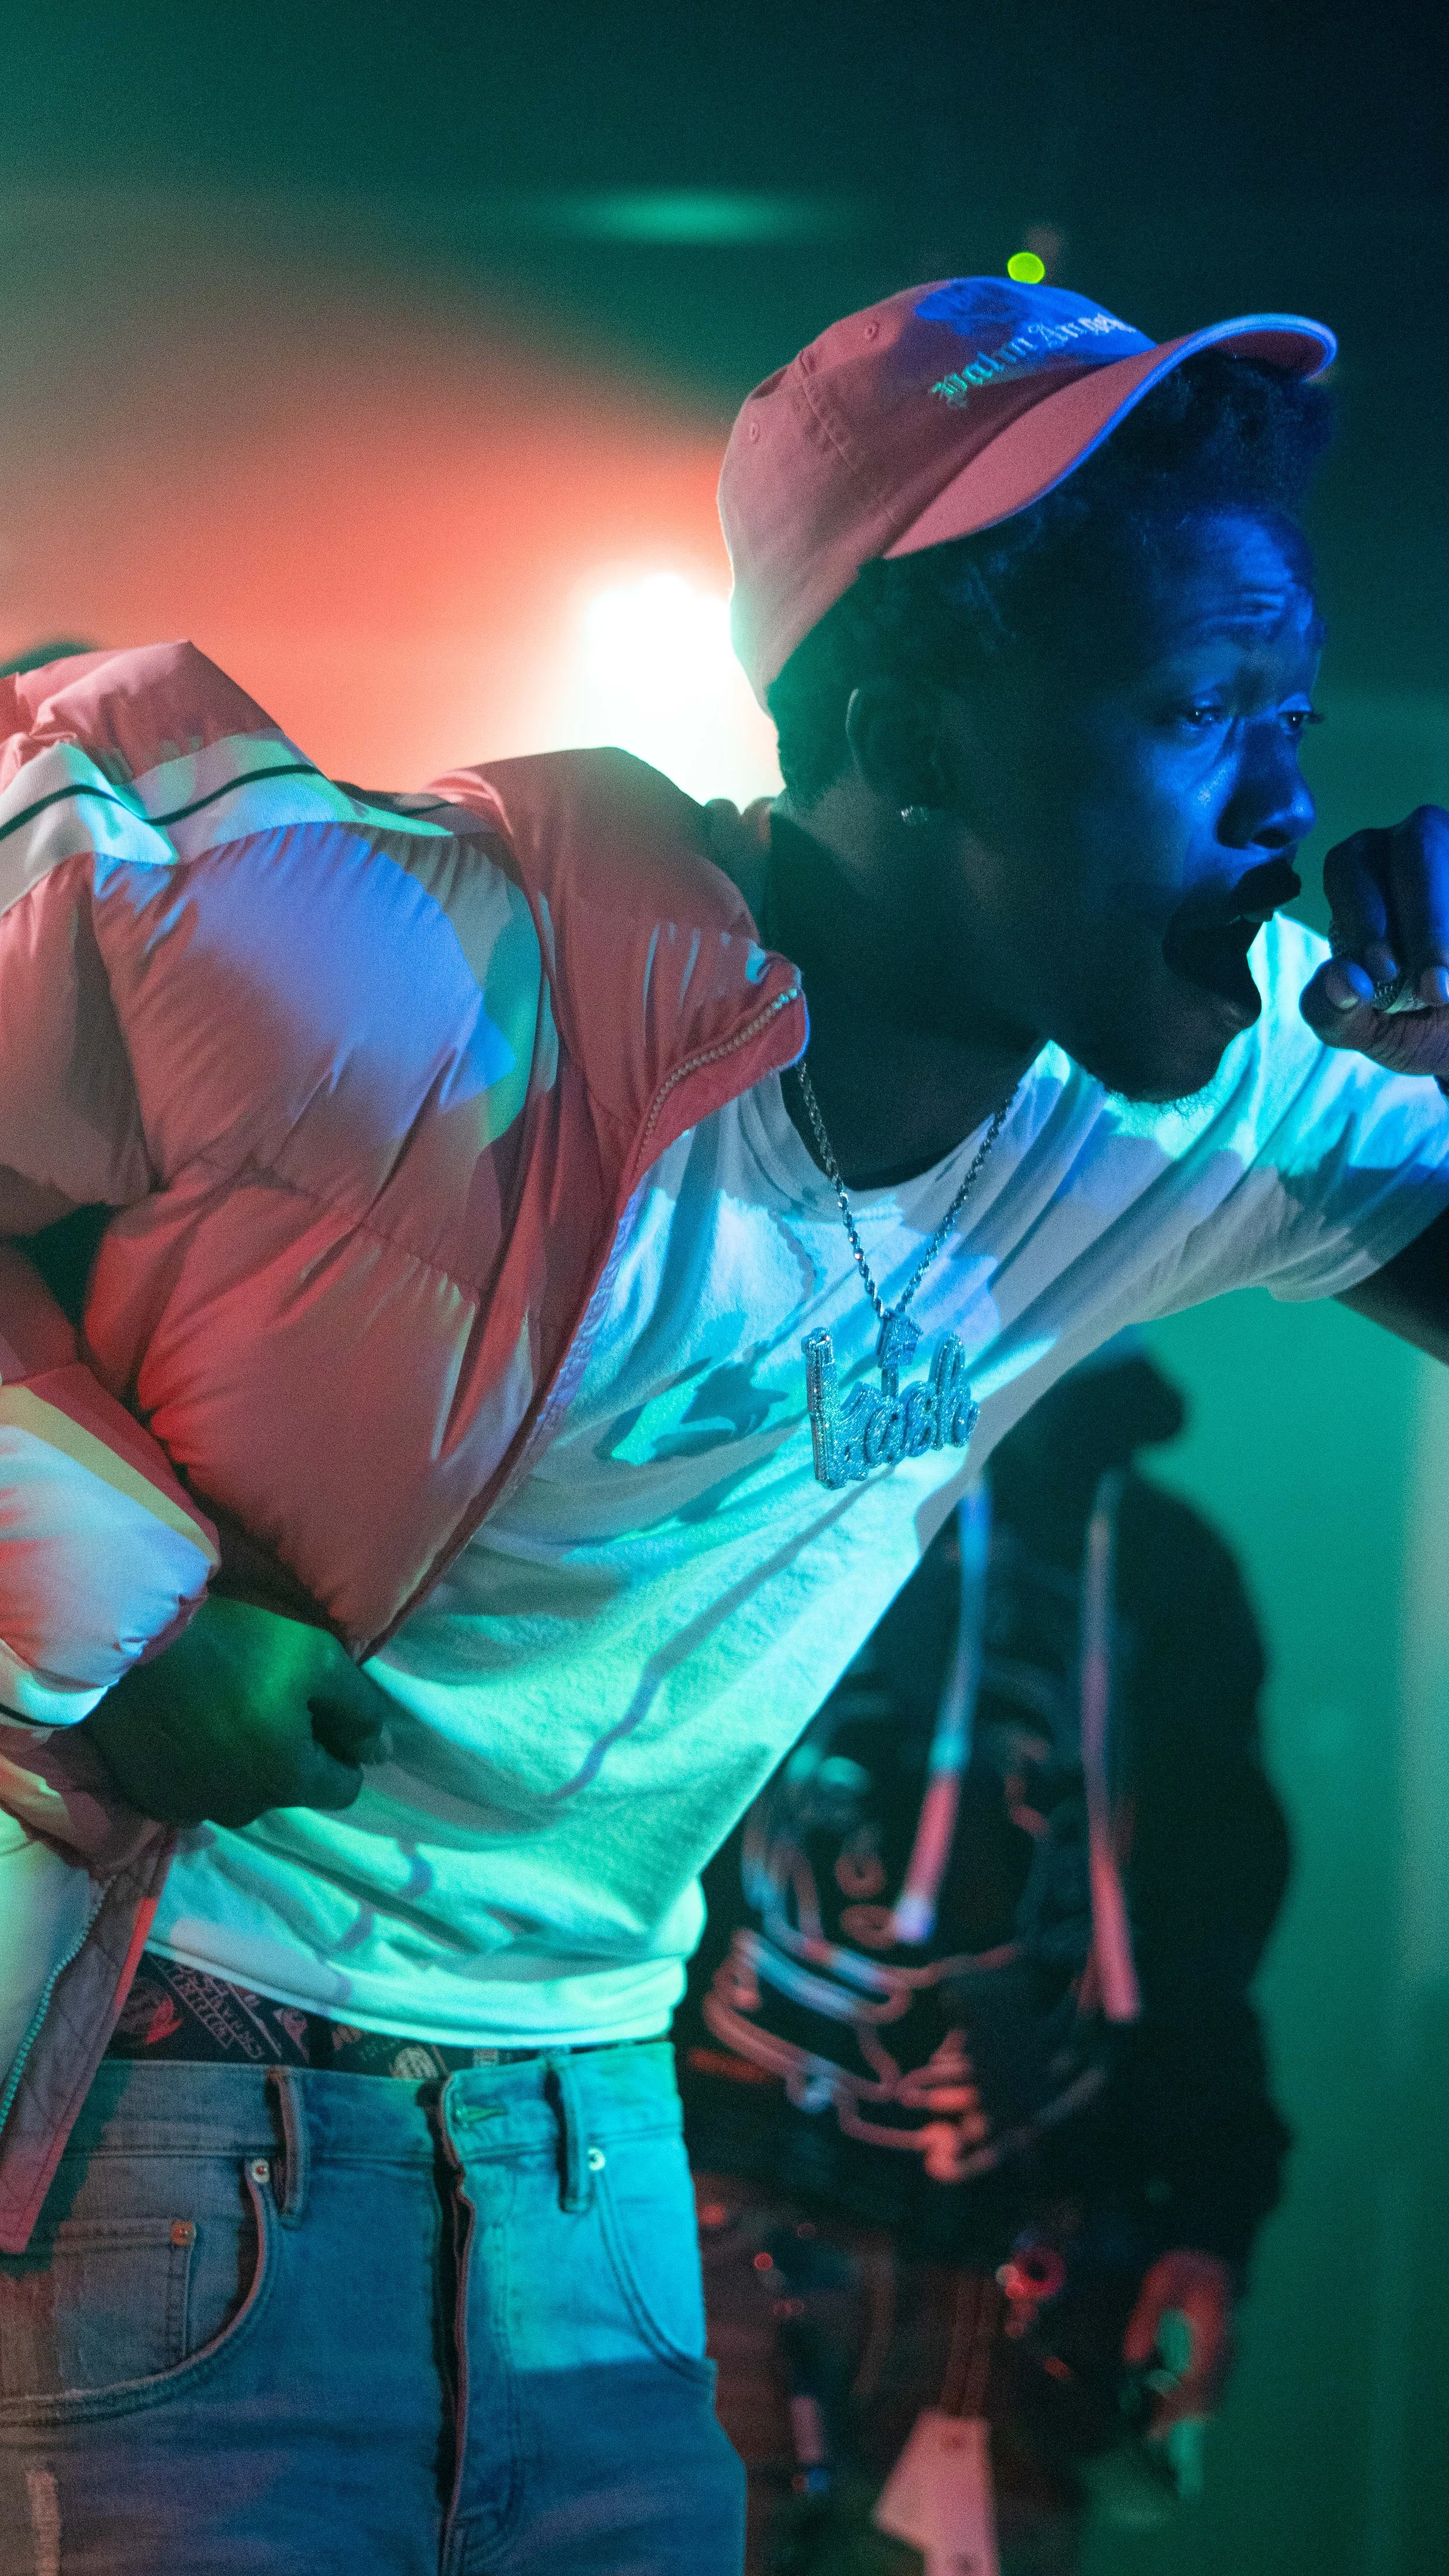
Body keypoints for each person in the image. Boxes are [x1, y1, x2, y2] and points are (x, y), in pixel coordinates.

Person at [0, 271, 1447, 2575]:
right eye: (1195, 710)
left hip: (600, 2165)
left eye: (1285, 704)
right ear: (909, 729)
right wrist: (112, 1610)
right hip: (183, 2102)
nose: (1284, 800)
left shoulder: (1189, 1105)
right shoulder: (396, 958)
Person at [679, 1340, 1290, 2573]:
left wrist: (1208, 2216)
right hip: (715, 2219)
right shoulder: (763, 1478)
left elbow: (1201, 1930)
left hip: (1018, 2275)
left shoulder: (1160, 1571)